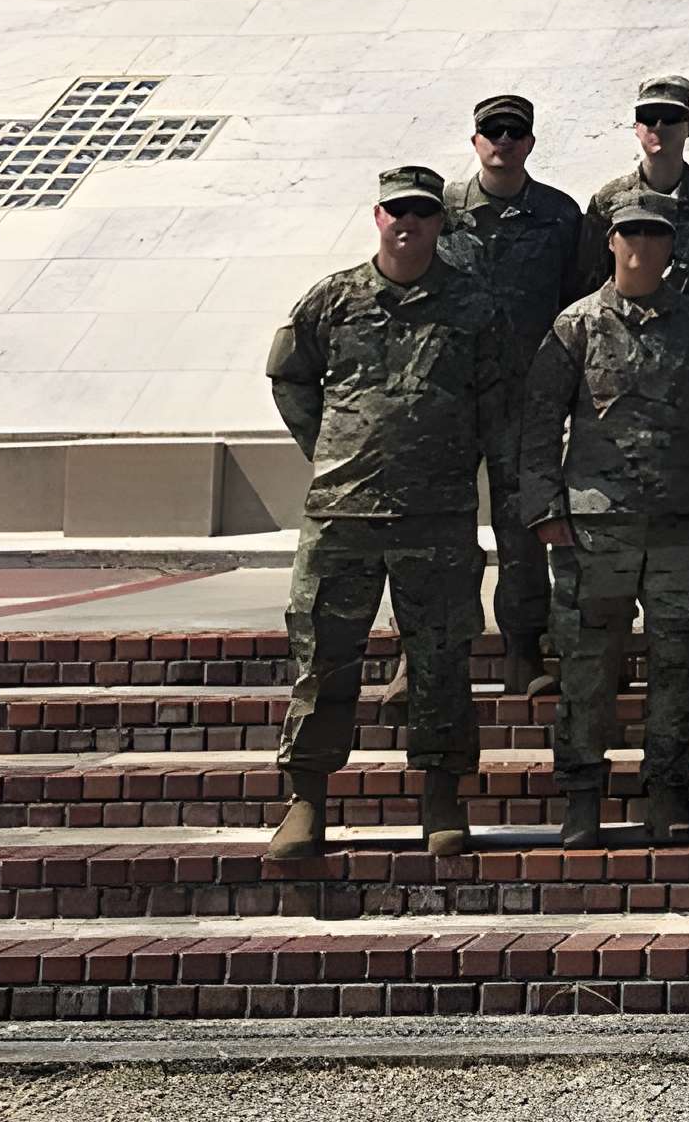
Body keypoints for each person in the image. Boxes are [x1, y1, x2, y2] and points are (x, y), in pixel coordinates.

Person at [264, 165, 505, 861]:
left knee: (441, 661)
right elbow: (289, 376)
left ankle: (442, 797)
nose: (409, 223)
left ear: (439, 223)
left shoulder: (473, 305)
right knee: (323, 658)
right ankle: (307, 800)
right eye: (398, 211)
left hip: (438, 516)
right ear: (377, 217)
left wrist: (460, 457)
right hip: (343, 515)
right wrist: (331, 447)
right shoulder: (334, 299)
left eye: (423, 213)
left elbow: (498, 398)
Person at [520, 192, 689, 850]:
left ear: (671, 247)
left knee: (680, 664)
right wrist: (545, 509)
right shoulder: (576, 324)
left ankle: (667, 791)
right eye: (631, 232)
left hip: (678, 524)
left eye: (655, 234)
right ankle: (582, 795)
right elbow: (539, 421)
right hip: (596, 528)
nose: (642, 243)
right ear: (611, 242)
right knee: (588, 666)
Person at [439, 91, 581, 695]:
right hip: (449, 400)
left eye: (514, 132)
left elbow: (575, 304)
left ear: (530, 143)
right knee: (439, 532)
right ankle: (424, 660)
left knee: (522, 532)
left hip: (524, 401)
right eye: (492, 131)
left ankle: (524, 654)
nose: (503, 141)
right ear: (475, 140)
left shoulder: (559, 215)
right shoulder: (441, 209)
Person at [576, 74, 689, 325]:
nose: (658, 126)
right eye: (648, 117)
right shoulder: (610, 200)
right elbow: (590, 281)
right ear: (636, 128)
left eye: (670, 117)